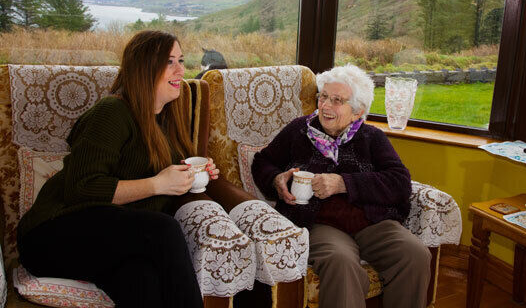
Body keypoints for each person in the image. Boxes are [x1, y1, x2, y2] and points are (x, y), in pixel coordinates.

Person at [17, 30, 220, 307]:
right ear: (144, 68)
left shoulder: (165, 121)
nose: (181, 69)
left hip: (107, 239)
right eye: (169, 61)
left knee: (142, 279)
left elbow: (159, 182)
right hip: (49, 235)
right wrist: (158, 184)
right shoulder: (112, 111)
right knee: (163, 231)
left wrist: (195, 174)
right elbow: (81, 187)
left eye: (181, 60)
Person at [251, 64, 430, 308]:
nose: (325, 106)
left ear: (357, 112)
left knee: (415, 255)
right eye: (323, 97)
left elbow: (400, 183)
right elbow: (263, 161)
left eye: (337, 100)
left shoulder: (372, 138)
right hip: (321, 223)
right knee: (341, 262)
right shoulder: (299, 130)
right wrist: (276, 179)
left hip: (372, 222)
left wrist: (344, 183)